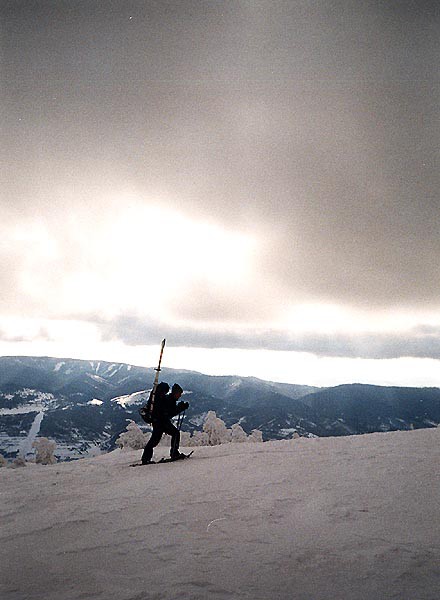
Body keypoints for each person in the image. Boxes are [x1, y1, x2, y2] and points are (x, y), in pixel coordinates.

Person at [141, 383, 189, 464]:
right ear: (175, 393)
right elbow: (170, 413)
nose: (180, 396)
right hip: (161, 422)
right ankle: (174, 453)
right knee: (174, 433)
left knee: (155, 440)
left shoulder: (168, 399)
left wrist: (180, 408)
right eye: (179, 394)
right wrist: (180, 408)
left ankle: (146, 459)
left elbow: (169, 412)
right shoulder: (170, 400)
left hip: (158, 422)